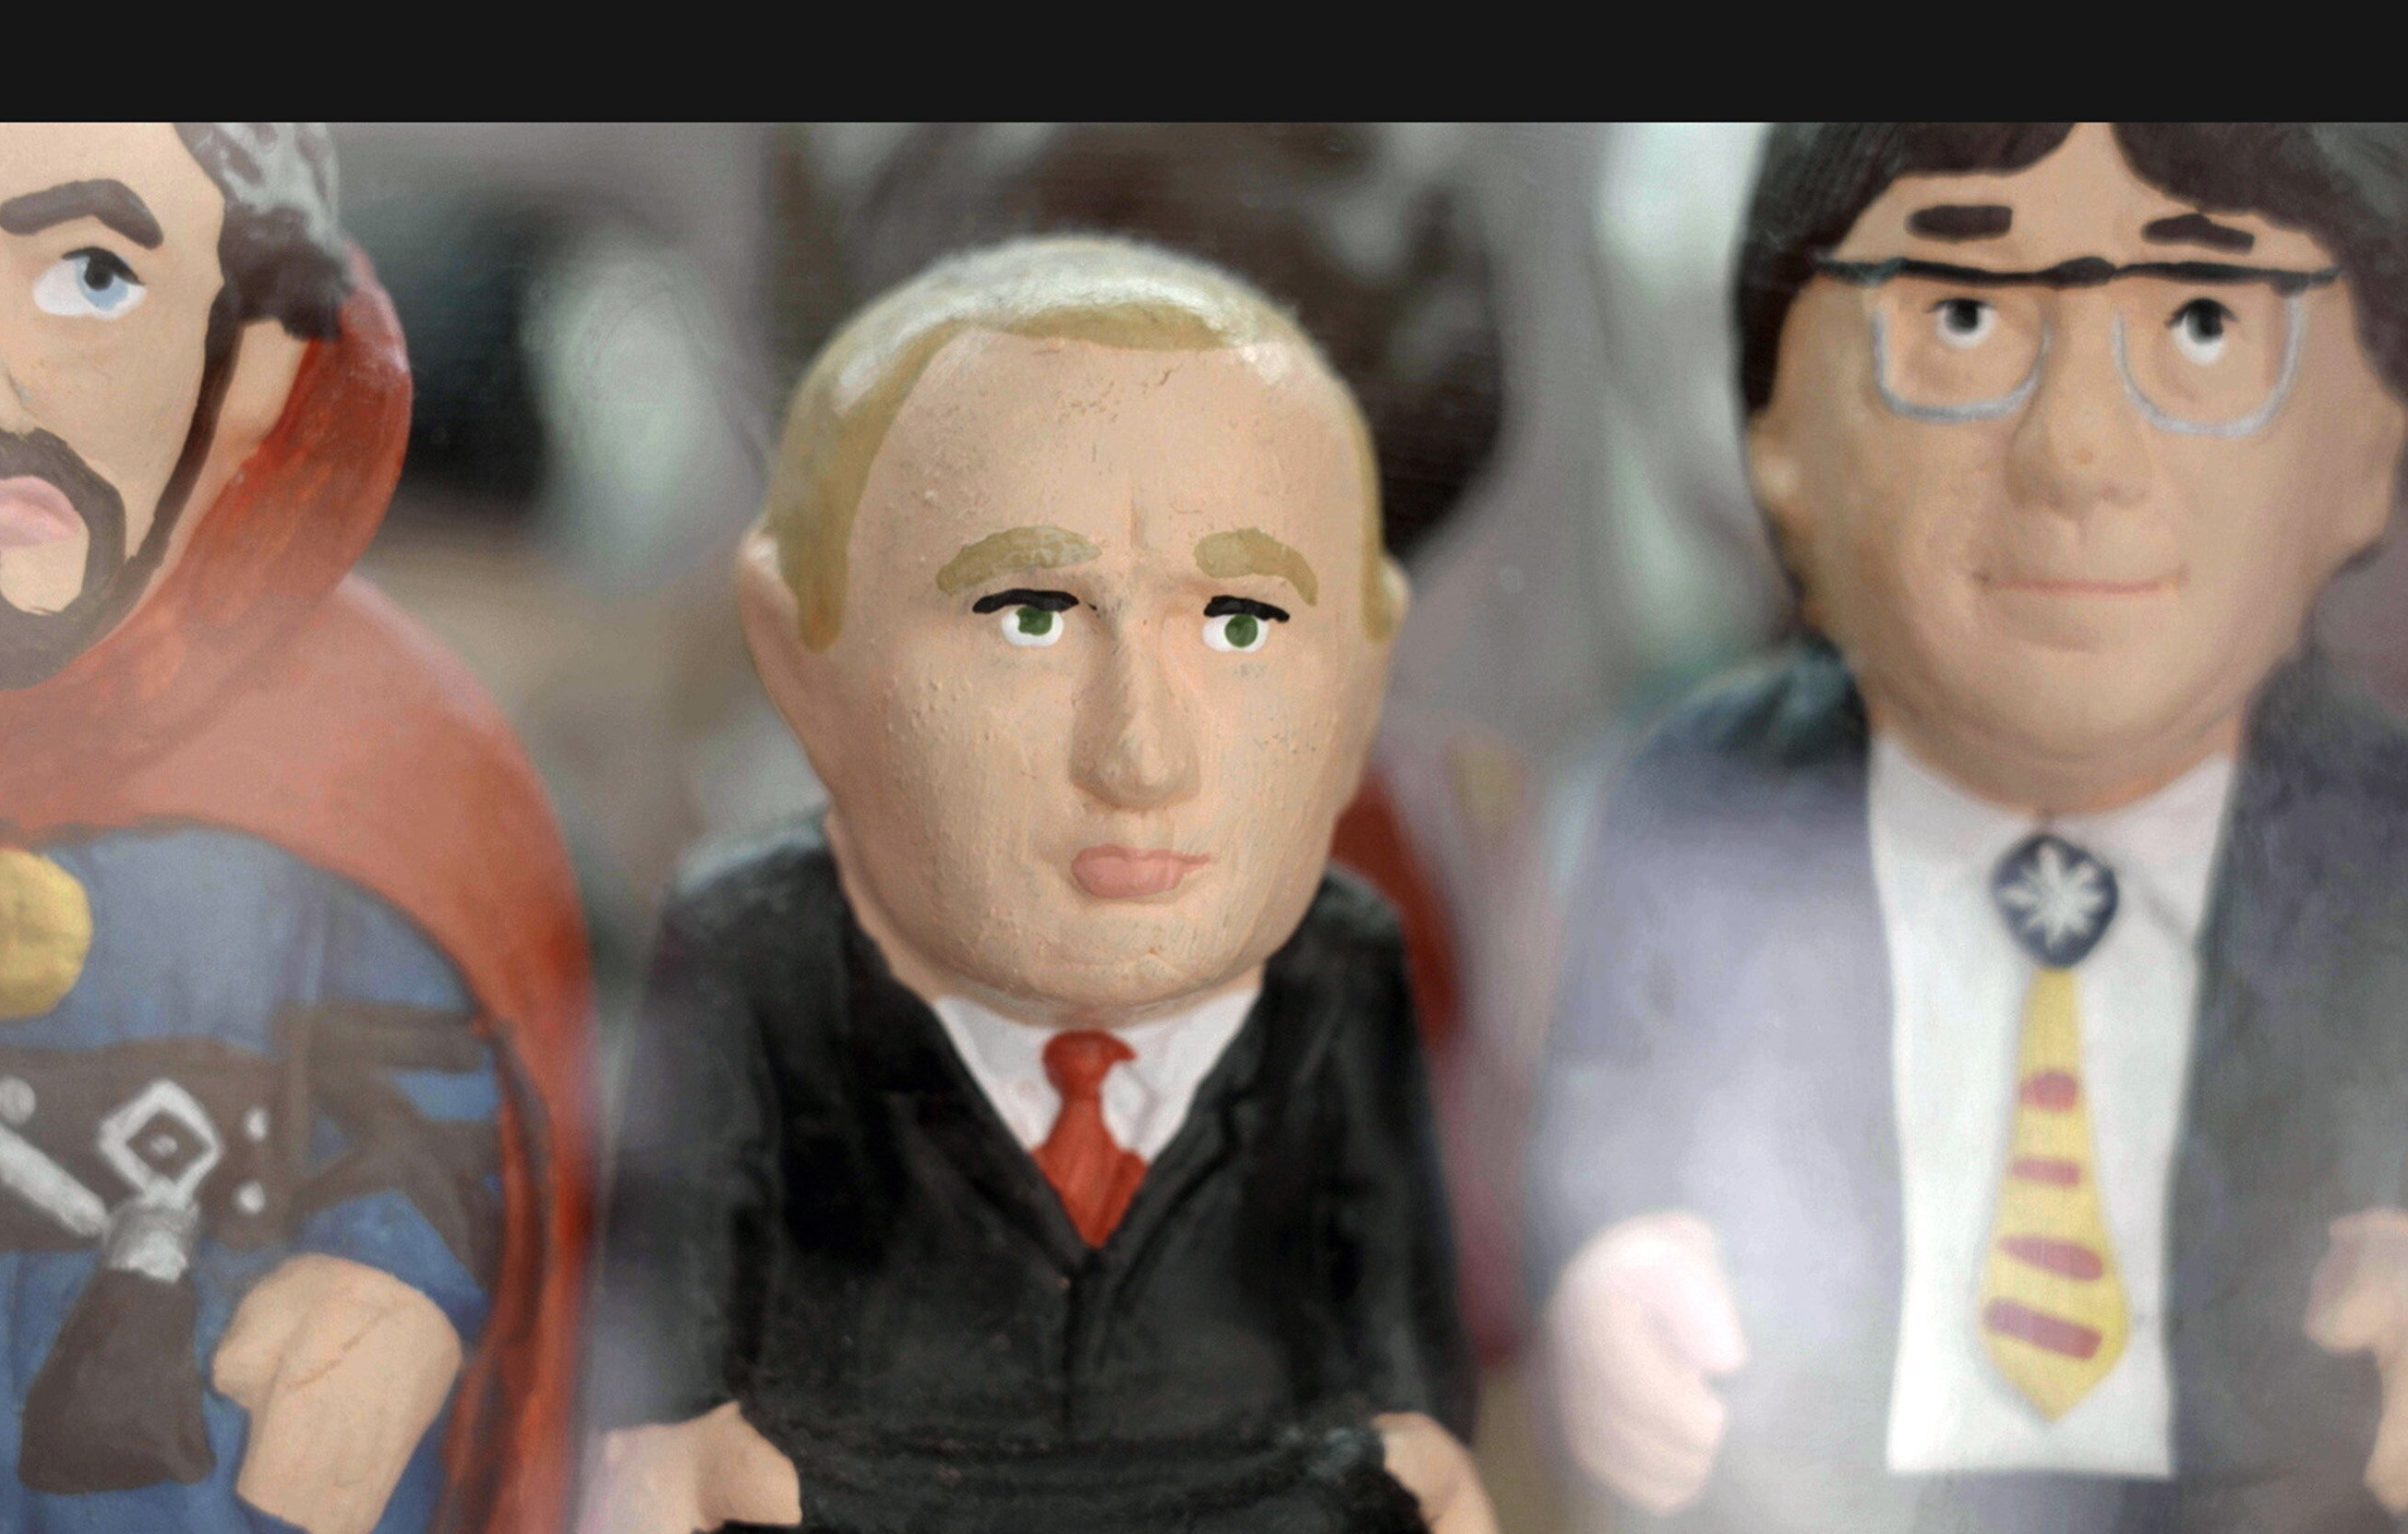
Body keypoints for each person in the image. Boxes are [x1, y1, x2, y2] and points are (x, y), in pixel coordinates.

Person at [0, 123, 590, 1534]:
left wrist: (387, 1280)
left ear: (263, 357)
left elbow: (431, 1096)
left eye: (90, 275)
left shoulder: (374, 761)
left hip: (184, 1425)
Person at [1529, 122, 2408, 1532]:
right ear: (1776, 435)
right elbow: (1605, 1130)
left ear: (2368, 442)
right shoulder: (1703, 805)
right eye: (1959, 317)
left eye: (2199, 323)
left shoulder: (2380, 845)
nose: (2074, 452)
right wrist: (1610, 1282)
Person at [586, 237, 1487, 1534]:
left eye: (1239, 622)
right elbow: (665, 1417)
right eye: (1030, 615)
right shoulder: (753, 954)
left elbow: (1413, 1421)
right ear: (800, 658)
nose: (1139, 757)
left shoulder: (1341, 967)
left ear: (1361, 682)